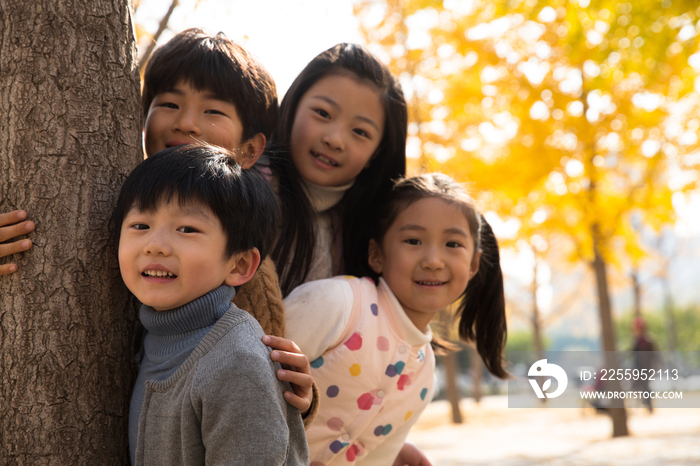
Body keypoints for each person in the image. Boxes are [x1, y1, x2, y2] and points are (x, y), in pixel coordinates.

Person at [283, 173, 508, 465]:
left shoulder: (425, 375)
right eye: (413, 240)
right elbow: (247, 372)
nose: (433, 261)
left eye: (453, 244)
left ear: (474, 264)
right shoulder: (338, 304)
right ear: (377, 254)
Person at [113, 144, 308, 465]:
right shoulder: (154, 336)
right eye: (141, 226)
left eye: (187, 229)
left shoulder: (236, 362)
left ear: (240, 265)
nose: (155, 246)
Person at [265, 42, 407, 297]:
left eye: (360, 132)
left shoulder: (371, 235)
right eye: (323, 113)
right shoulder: (242, 190)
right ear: (293, 105)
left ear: (375, 154)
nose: (335, 139)